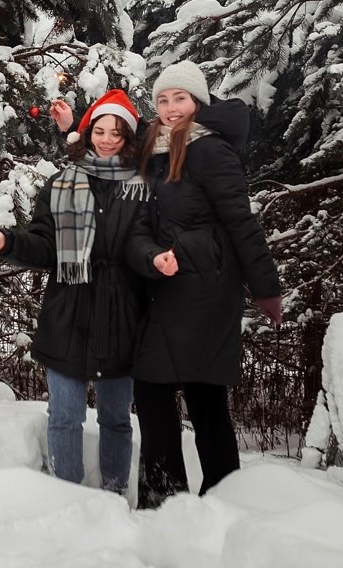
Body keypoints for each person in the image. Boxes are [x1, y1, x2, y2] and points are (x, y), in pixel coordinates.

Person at [0, 90, 149, 495]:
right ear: (87, 134)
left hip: (122, 315)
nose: (106, 140)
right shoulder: (60, 184)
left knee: (116, 419)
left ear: (129, 137)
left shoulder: (142, 187)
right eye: (100, 131)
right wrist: (10, 242)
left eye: (117, 133)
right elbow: (45, 245)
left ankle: (113, 493)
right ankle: (66, 498)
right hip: (68, 314)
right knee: (65, 417)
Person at [127, 60, 282, 509]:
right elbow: (114, 139)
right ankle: (187, 500)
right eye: (163, 99)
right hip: (170, 284)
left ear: (198, 102)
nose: (171, 108)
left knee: (181, 391)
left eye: (180, 98)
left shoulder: (210, 150)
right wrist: (73, 130)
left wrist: (266, 287)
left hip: (207, 290)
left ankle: (187, 501)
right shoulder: (155, 147)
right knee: (193, 393)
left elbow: (240, 219)